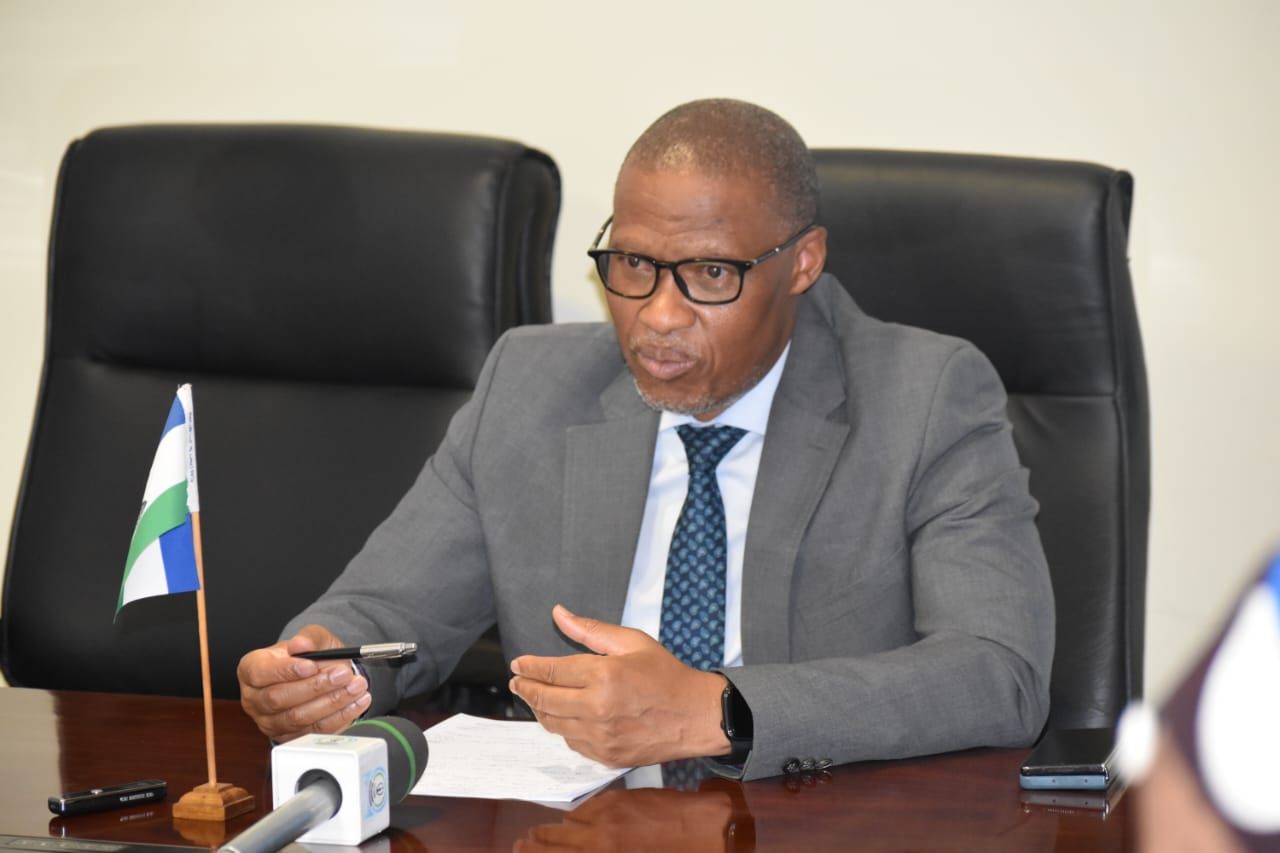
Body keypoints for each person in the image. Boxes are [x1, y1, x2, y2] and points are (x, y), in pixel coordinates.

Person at [237, 98, 1055, 781]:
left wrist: (719, 709)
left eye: (710, 274)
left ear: (803, 263)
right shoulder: (528, 385)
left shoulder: (925, 397)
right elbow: (389, 610)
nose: (658, 317)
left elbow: (998, 671)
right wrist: (322, 667)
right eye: (632, 264)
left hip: (810, 822)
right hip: (583, 825)